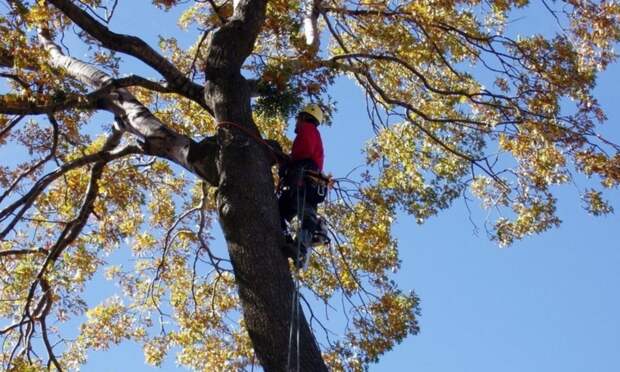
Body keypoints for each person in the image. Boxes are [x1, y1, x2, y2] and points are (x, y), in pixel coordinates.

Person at [278, 104, 330, 268]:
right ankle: (293, 244)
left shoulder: (308, 129)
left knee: (301, 211)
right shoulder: (312, 133)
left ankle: (299, 246)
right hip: (305, 184)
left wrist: (289, 164)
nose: (296, 122)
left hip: (302, 183)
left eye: (298, 118)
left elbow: (303, 154)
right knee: (280, 210)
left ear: (304, 117)